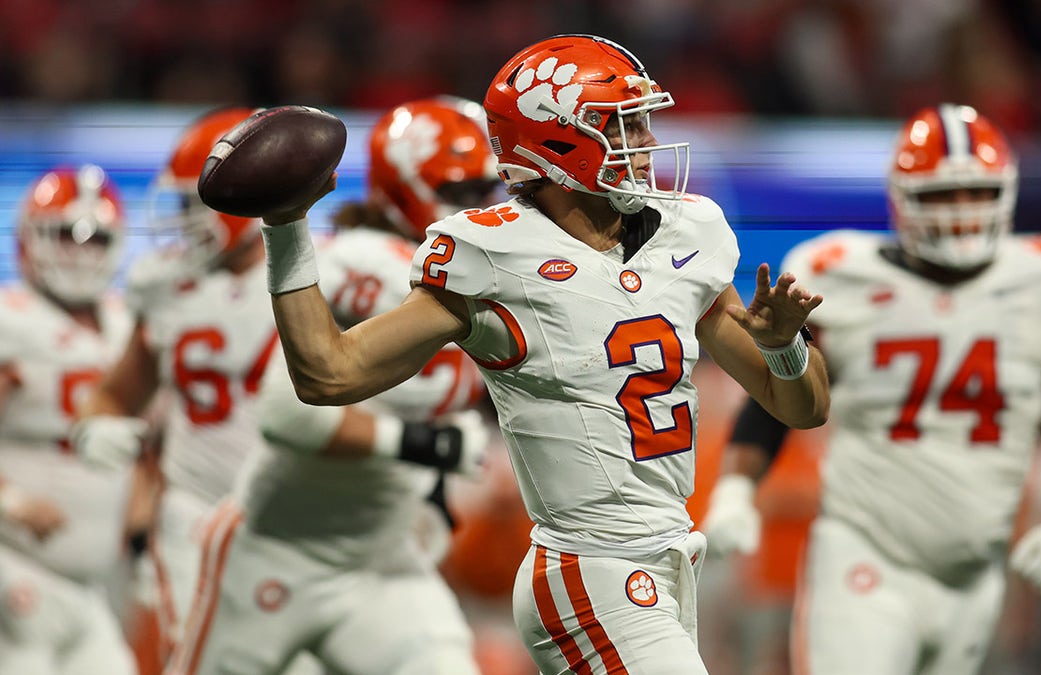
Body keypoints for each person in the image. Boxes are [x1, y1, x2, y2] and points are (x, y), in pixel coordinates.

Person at [254, 34, 830, 674]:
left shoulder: (686, 233)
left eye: (642, 122)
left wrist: (782, 349)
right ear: (558, 143)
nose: (644, 143)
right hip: (589, 570)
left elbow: (802, 408)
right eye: (623, 125)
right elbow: (328, 374)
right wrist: (285, 230)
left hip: (666, 563)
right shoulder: (494, 256)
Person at [700, 103, 1041, 675]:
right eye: (940, 196)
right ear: (902, 198)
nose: (959, 211)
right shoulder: (842, 274)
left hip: (976, 573)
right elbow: (782, 393)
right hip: (867, 553)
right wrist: (737, 487)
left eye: (975, 193)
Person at [165, 96, 501, 675]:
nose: (485, 208)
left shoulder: (490, 276)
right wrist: (429, 447)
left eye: (490, 191)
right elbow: (289, 414)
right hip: (274, 553)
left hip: (381, 561)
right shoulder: (363, 263)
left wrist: (433, 486)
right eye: (467, 193)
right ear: (405, 185)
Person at [68, 107, 292, 669]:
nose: (184, 218)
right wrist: (98, 424)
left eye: (198, 201)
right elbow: (117, 394)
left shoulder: (320, 275)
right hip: (194, 509)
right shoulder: (167, 285)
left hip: (298, 513)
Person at [0, 165, 137, 674]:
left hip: (91, 582)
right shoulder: (12, 319)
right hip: (17, 564)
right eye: (64, 234)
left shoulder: (126, 324)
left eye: (96, 238)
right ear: (28, 237)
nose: (80, 251)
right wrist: (12, 503)